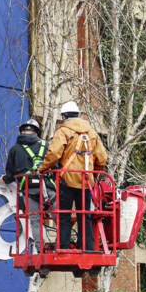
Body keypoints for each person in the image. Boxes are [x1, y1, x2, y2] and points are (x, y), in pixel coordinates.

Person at [38, 101, 109, 251]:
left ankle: (63, 245)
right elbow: (102, 157)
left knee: (64, 215)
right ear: (77, 114)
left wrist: (43, 168)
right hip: (86, 181)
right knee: (85, 215)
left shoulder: (63, 131)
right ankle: (87, 246)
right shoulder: (92, 133)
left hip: (67, 180)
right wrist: (93, 173)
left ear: (64, 116)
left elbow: (54, 154)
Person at [2, 118, 53, 253]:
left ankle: (40, 249)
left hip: (29, 190)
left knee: (35, 220)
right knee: (60, 216)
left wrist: (4, 179)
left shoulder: (15, 149)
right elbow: (57, 165)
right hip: (48, 188)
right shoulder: (47, 146)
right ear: (36, 132)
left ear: (22, 131)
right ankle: (63, 245)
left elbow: (10, 174)